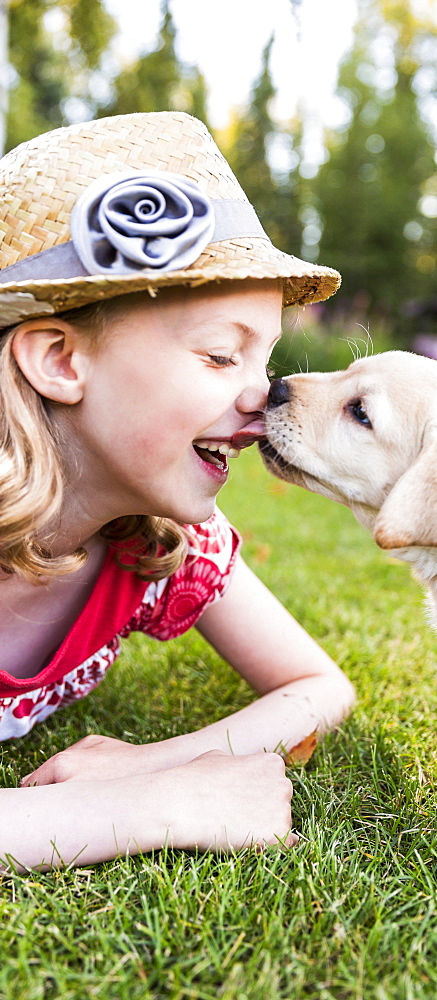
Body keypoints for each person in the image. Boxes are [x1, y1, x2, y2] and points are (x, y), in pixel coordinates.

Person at [0, 111, 355, 872]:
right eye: (222, 356)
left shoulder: (160, 541)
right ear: (60, 360)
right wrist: (157, 807)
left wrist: (159, 759)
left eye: (263, 362)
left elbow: (318, 686)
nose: (262, 399)